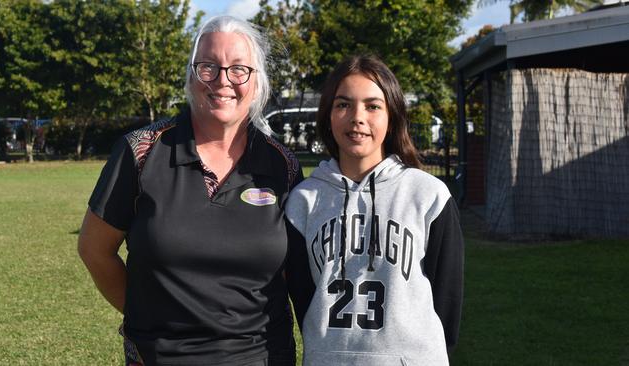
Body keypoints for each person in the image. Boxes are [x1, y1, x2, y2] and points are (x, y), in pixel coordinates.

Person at [78, 15, 306, 366]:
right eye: (208, 67)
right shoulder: (140, 152)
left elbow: (296, 275)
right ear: (190, 75)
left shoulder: (284, 166)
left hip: (262, 357)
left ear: (257, 82)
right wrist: (148, 318)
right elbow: (94, 250)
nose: (223, 80)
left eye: (239, 69)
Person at [285, 55, 464, 366]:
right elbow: (303, 300)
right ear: (328, 115)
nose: (357, 117)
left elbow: (447, 303)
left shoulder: (428, 195)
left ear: (391, 115)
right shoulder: (304, 201)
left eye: (372, 106)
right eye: (343, 104)